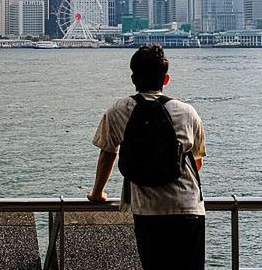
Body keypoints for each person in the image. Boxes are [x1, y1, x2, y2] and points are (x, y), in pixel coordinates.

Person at [87, 44, 206, 270]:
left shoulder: (118, 109)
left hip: (147, 209)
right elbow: (196, 161)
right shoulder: (187, 112)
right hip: (188, 208)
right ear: (166, 79)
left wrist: (97, 193)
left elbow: (107, 154)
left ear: (134, 78)